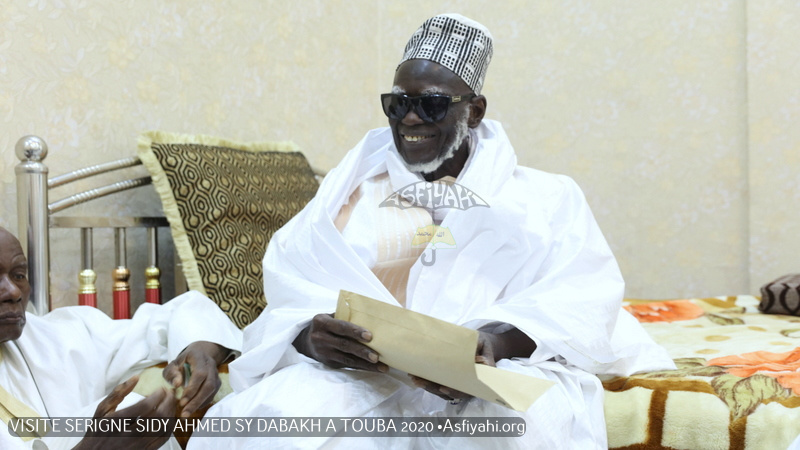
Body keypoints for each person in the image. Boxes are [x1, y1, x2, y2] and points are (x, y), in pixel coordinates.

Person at [190, 13, 674, 449]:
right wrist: (308, 338)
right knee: (270, 423)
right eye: (397, 105)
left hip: (491, 380)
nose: (412, 119)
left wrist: (495, 345)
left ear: (475, 111)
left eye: (433, 105)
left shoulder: (546, 200)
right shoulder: (347, 194)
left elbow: (583, 299)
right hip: (357, 380)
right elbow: (290, 294)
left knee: (513, 429)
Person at [0, 226, 242, 449]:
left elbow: (174, 318)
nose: (13, 291)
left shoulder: (55, 337)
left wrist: (201, 351)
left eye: (19, 275)